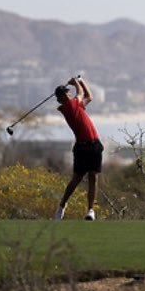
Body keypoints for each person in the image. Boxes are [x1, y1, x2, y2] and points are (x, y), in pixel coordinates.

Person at [53, 76, 103, 221]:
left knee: (93, 177)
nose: (68, 94)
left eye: (68, 92)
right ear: (61, 99)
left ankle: (90, 211)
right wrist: (76, 82)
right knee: (77, 179)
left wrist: (82, 81)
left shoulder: (76, 105)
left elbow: (89, 97)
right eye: (65, 93)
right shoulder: (69, 106)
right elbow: (80, 93)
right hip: (82, 147)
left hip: (94, 144)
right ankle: (62, 206)